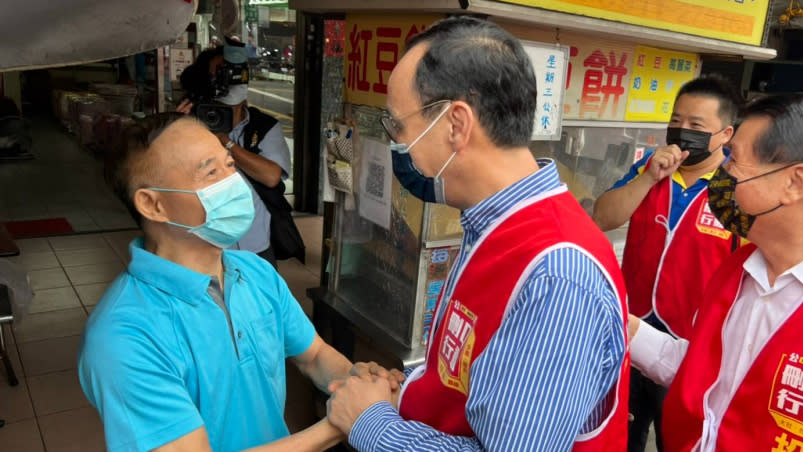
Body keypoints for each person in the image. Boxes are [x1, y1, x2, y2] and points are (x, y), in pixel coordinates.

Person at [326, 16, 629, 451]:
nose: (397, 143)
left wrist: (371, 422)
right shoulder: (491, 228)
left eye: (398, 126)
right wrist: (411, 392)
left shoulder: (558, 275)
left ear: (456, 125)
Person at [78, 114, 355, 451]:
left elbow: (313, 356)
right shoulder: (123, 335)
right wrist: (338, 426)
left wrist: (360, 383)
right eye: (211, 173)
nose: (233, 183)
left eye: (229, 164)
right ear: (153, 204)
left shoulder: (256, 273)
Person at [629, 94, 803, 451]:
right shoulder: (742, 266)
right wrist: (619, 324)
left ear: (796, 182)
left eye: (734, 158)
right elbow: (704, 377)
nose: (721, 174)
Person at [592, 76, 742, 452]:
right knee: (621, 430)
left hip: (689, 343)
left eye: (696, 126)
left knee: (677, 436)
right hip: (629, 327)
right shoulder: (649, 168)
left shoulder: (736, 188)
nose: (682, 130)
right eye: (677, 121)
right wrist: (648, 179)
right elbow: (602, 218)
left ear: (725, 134)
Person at [178, 36, 293, 267]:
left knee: (260, 300)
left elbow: (271, 176)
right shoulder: (192, 123)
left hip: (255, 244)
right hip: (204, 243)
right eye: (221, 72)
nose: (232, 79)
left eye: (236, 72)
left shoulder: (263, 126)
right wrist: (175, 128)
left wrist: (226, 143)